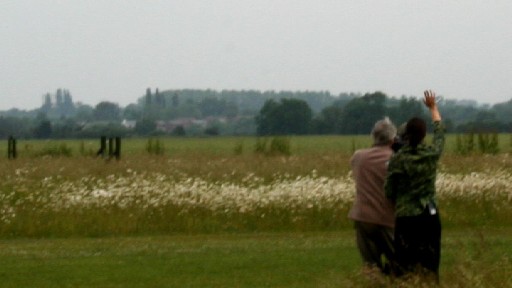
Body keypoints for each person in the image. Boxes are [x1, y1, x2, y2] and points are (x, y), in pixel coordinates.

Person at [384, 90, 445, 283]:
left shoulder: (398, 159)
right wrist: (433, 107)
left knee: (404, 265)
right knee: (430, 263)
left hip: (406, 217)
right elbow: (440, 132)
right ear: (423, 134)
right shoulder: (432, 153)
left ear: (406, 135)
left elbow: (389, 190)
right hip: (429, 214)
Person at [348, 116, 398, 277]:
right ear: (392, 139)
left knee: (371, 268)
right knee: (400, 263)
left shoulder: (358, 156)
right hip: (387, 218)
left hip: (362, 217)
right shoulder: (396, 159)